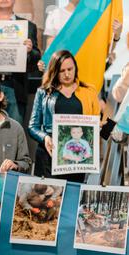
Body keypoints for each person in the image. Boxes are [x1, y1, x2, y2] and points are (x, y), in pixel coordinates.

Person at [28, 50, 100, 183]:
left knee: (72, 199)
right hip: (49, 157)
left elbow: (97, 124)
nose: (67, 74)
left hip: (77, 159)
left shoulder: (89, 91)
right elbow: (33, 126)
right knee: (49, 199)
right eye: (62, 71)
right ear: (54, 71)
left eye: (70, 69)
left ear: (75, 68)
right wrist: (45, 138)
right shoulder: (43, 92)